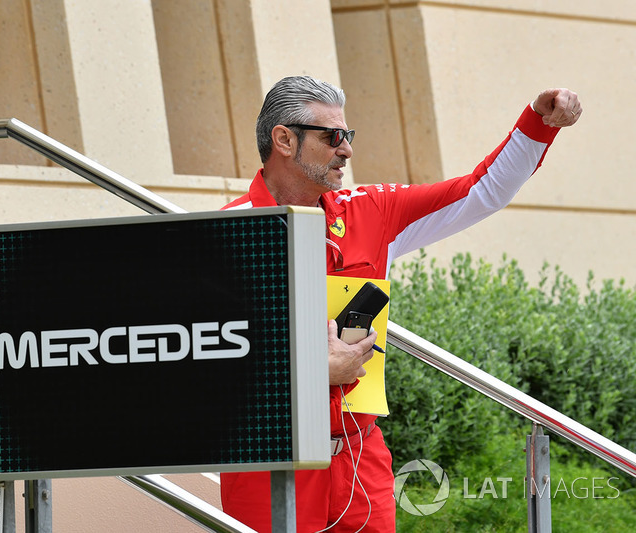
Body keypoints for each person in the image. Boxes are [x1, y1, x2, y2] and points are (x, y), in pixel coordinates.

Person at [219, 75, 581, 532]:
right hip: (268, 458)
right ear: (284, 140)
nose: (346, 149)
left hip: (359, 454)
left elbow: (480, 192)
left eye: (347, 136)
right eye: (333, 137)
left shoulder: (371, 209)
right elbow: (202, 361)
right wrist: (309, 373)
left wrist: (538, 123)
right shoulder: (226, 232)